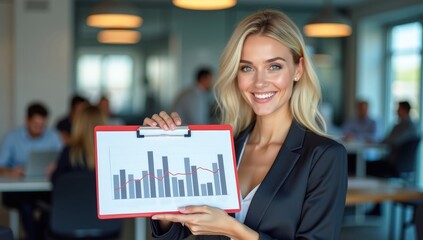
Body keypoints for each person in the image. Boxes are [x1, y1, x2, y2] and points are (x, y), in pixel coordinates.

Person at [143, 10, 347, 239]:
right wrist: (161, 159)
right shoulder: (221, 147)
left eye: (274, 66)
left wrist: (233, 229)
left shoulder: (324, 156)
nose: (260, 82)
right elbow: (178, 233)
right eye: (247, 68)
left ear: (298, 69)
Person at [0, 102, 63, 240]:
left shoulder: (53, 136)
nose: (39, 129)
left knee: (53, 206)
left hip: (44, 189)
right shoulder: (12, 138)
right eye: (36, 125)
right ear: (26, 121)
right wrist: (11, 171)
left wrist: (55, 166)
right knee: (26, 206)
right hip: (17, 191)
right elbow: (0, 166)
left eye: (42, 126)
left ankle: (37, 236)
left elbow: (63, 159)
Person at [50, 105, 106, 183]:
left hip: (73, 194)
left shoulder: (70, 151)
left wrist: (53, 171)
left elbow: (57, 181)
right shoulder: (108, 152)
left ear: (79, 123)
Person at [367, 101, 420, 178]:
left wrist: (380, 142)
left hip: (396, 163)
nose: (396, 111)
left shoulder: (409, 127)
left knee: (366, 166)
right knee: (367, 164)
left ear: (404, 110)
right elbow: (389, 139)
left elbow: (394, 141)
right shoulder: (400, 126)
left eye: (398, 109)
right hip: (395, 161)